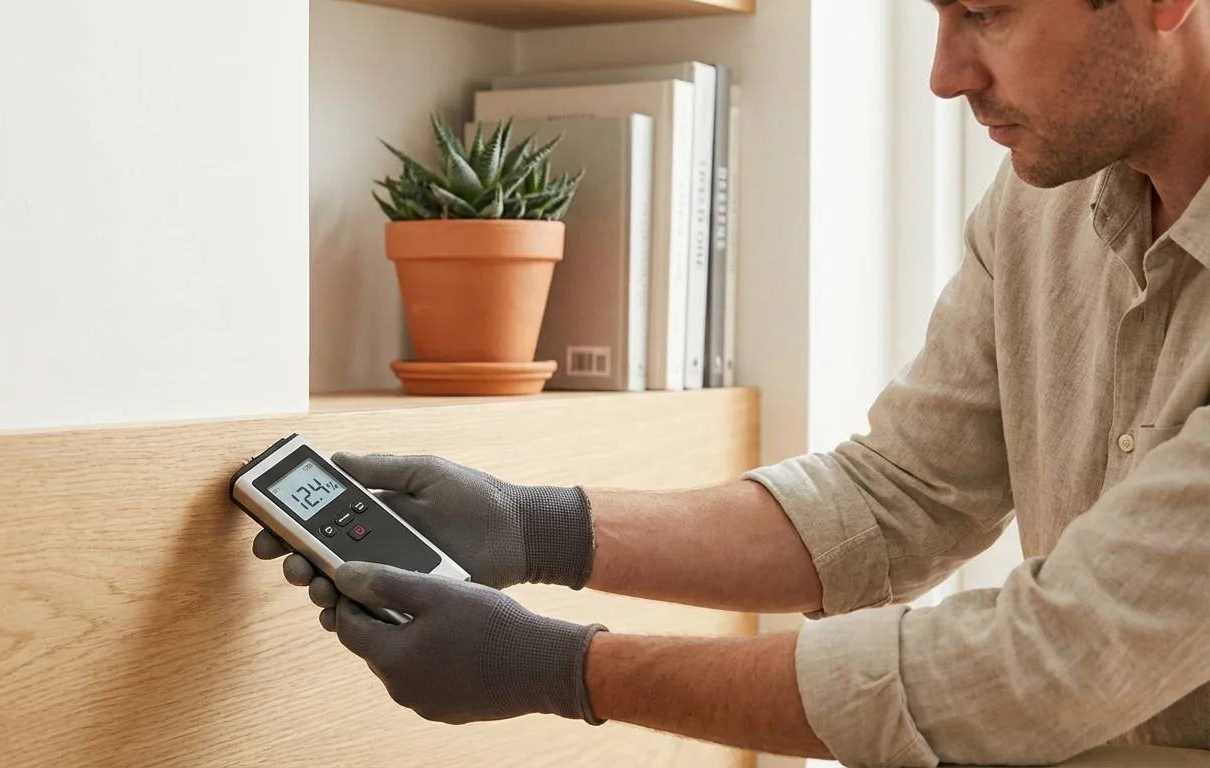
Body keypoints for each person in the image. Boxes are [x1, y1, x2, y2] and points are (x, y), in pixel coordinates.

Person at [254, 0, 1210, 764]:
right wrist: (535, 525)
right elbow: (897, 499)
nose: (944, 74)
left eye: (988, 12)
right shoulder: (1040, 202)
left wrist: (556, 668)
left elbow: (1042, 667)